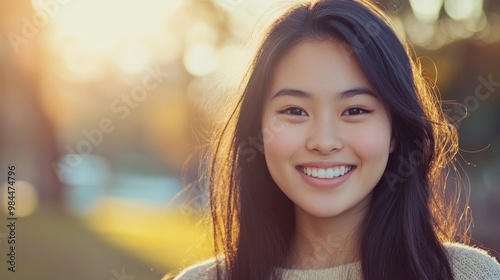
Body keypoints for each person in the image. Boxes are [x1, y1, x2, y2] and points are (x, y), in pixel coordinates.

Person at [167, 0, 500, 279]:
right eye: (295, 111)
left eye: (354, 110)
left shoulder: (468, 275)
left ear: (395, 131)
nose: (324, 142)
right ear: (258, 130)